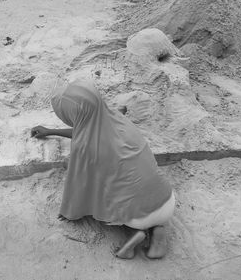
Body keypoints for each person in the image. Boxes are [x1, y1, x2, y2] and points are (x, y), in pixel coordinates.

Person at [31, 80, 175, 259]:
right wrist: (51, 131)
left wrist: (69, 212)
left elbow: (79, 185)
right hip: (167, 199)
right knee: (134, 185)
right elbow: (87, 128)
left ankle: (133, 235)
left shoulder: (85, 147)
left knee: (105, 195)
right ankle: (157, 231)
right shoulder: (116, 117)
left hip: (138, 217)